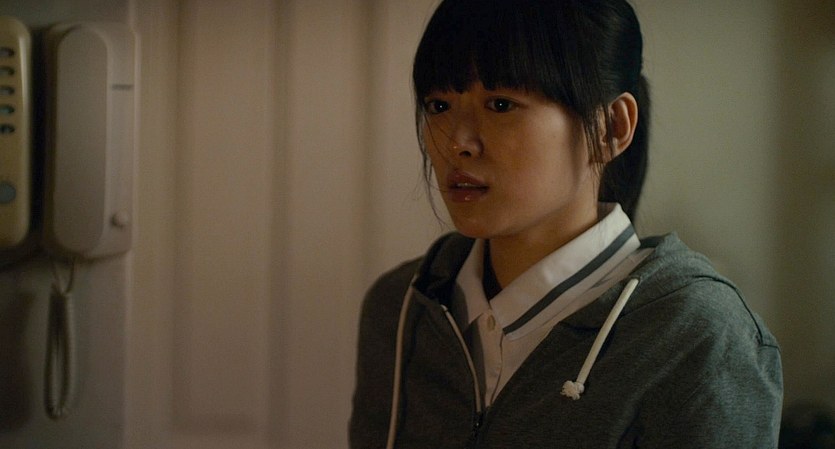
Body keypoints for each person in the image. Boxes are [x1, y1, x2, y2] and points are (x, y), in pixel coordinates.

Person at [350, 0, 783, 447]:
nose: (457, 142)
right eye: (439, 105)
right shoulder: (404, 307)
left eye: (500, 104)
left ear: (611, 128)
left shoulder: (695, 336)